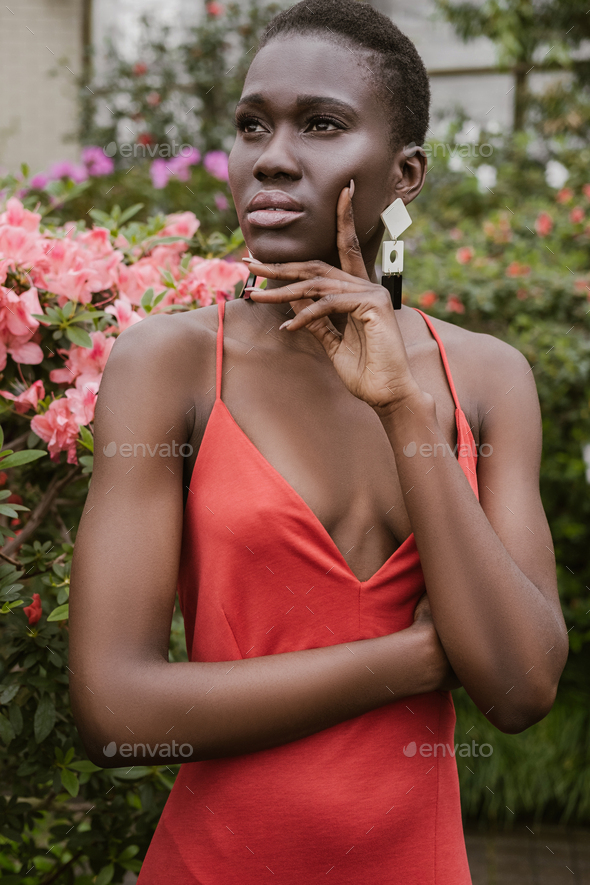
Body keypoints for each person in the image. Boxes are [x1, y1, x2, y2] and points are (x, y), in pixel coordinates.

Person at [69, 1, 569, 882]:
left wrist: (403, 409)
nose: (271, 156)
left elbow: (522, 686)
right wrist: (409, 658)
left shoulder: (487, 381)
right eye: (252, 124)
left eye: (322, 124)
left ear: (405, 171)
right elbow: (117, 710)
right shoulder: (172, 367)